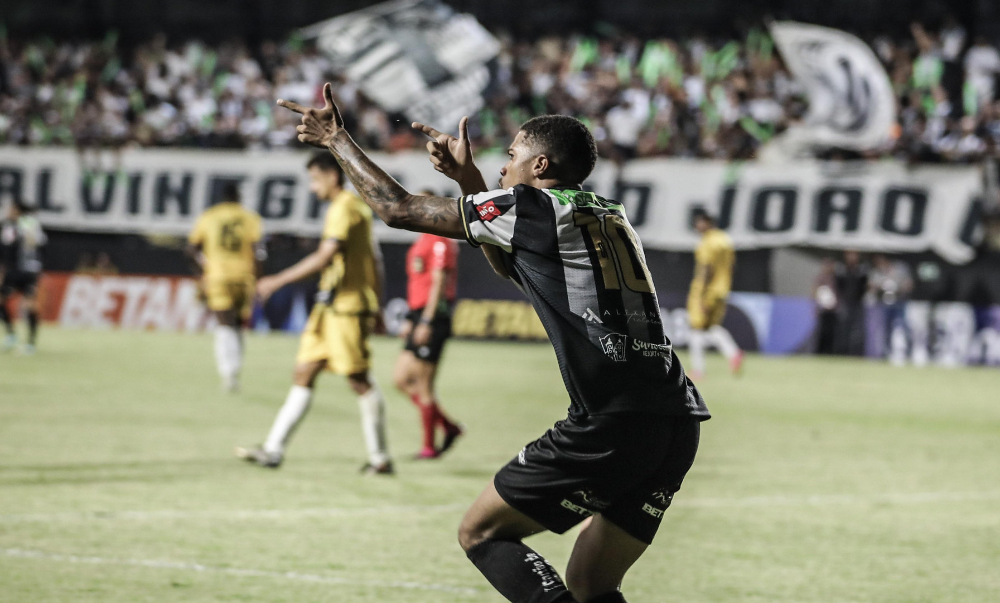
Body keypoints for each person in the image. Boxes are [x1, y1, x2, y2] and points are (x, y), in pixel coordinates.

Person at [277, 83, 708, 603]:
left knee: (480, 533)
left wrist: (337, 139)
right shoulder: (605, 212)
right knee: (594, 585)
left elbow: (396, 209)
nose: (503, 167)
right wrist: (469, 181)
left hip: (610, 420)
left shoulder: (531, 208)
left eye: (511, 157)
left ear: (541, 166)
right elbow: (509, 263)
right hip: (676, 419)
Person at [236, 152, 393, 475]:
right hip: (330, 308)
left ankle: (380, 459)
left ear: (332, 176)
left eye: (314, 179)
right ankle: (273, 450)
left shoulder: (345, 208)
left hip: (347, 308)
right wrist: (377, 300)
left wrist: (276, 280)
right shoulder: (351, 208)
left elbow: (325, 257)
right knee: (304, 372)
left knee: (359, 380)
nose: (311, 188)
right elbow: (374, 259)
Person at [392, 189, 464, 459]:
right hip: (419, 314)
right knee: (400, 379)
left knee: (423, 386)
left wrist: (425, 320)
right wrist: (412, 319)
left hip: (433, 317)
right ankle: (449, 427)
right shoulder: (424, 239)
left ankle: (429, 447)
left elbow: (438, 284)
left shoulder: (440, 240)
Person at [187, 183, 264, 392]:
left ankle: (228, 372)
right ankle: (235, 368)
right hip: (244, 275)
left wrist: (203, 268)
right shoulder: (250, 218)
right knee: (238, 323)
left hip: (218, 275)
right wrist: (258, 279)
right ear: (238, 197)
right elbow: (258, 251)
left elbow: (192, 248)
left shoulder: (209, 216)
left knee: (224, 323)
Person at [685, 209, 743, 379]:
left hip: (706, 291)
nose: (697, 226)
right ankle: (733, 354)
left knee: (696, 328)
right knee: (709, 327)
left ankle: (698, 370)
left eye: (699, 222)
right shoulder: (725, 240)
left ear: (706, 223)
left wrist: (702, 295)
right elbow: (731, 266)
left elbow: (706, 269)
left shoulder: (708, 243)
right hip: (722, 290)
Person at [0, 201, 47, 354]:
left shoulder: (29, 223)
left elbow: (37, 242)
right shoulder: (8, 225)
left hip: (28, 270)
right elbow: (7, 246)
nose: (8, 212)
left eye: (11, 209)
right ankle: (11, 334)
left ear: (17, 210)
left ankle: (30, 343)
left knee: (29, 305)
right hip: (13, 270)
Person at [868, 254, 914, 366]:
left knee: (902, 327)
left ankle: (906, 353)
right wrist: (881, 287)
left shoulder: (900, 269)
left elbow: (909, 284)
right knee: (886, 329)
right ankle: (886, 354)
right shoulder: (877, 272)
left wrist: (897, 288)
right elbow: (871, 286)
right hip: (884, 303)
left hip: (899, 302)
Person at [812, 257, 840, 355]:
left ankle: (830, 351)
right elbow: (815, 292)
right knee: (821, 332)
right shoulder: (821, 278)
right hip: (822, 310)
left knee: (832, 332)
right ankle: (819, 352)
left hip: (833, 310)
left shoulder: (836, 278)